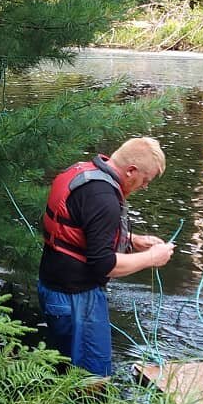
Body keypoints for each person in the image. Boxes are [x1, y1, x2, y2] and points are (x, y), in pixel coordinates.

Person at [37, 137, 174, 377]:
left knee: (64, 368)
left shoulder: (85, 174)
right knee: (93, 376)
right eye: (145, 180)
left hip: (54, 287)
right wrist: (153, 257)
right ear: (131, 171)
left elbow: (81, 228)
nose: (144, 186)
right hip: (77, 297)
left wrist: (133, 240)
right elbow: (104, 264)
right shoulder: (104, 198)